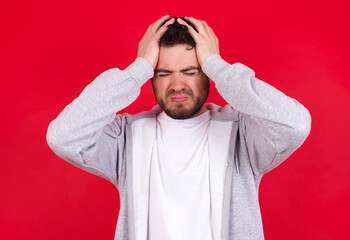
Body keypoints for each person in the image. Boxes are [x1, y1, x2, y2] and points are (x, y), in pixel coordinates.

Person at [47, 15, 311, 240]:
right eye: (163, 73)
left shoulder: (243, 133)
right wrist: (136, 70)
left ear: (208, 73)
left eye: (191, 71)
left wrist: (218, 65)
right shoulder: (126, 137)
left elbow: (295, 124)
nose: (177, 84)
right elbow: (63, 137)